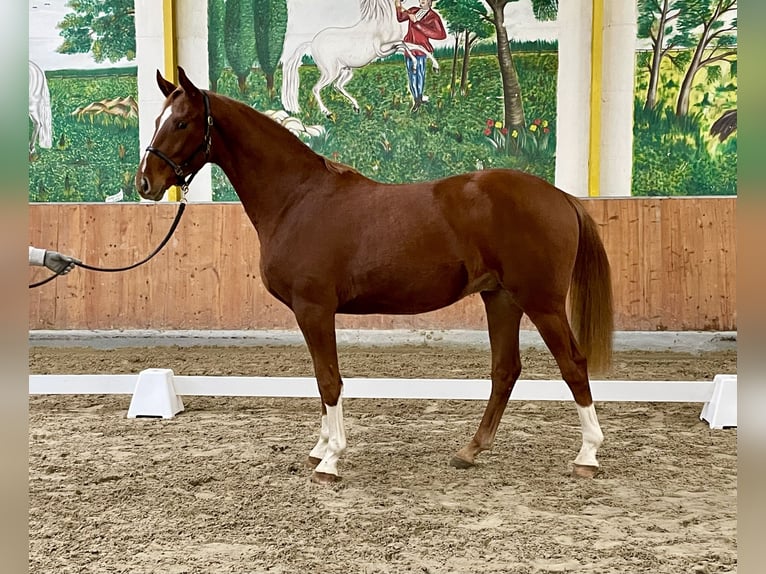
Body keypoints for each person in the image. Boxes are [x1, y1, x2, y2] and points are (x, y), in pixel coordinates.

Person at [395, 0, 446, 112]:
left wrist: (417, 23)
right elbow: (400, 18)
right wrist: (398, 4)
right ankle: (416, 99)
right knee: (411, 75)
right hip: (409, 47)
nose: (422, 0)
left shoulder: (433, 17)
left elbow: (441, 35)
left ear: (430, 1)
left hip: (422, 49)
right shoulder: (413, 10)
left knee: (420, 75)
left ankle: (419, 97)